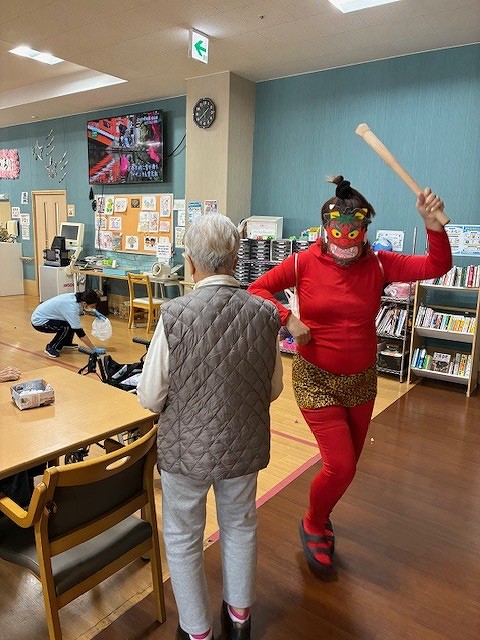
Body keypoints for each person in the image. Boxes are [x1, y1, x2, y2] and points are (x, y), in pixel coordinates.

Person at [248, 176, 452, 577]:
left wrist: (432, 225)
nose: (345, 243)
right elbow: (256, 288)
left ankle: (322, 515)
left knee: (347, 467)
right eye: (337, 233)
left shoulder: (379, 263)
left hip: (362, 381)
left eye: (354, 234)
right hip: (316, 379)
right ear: (326, 230)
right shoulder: (302, 262)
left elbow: (437, 265)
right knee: (340, 466)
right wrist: (288, 318)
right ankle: (313, 522)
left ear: (365, 230)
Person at [137, 214, 283, 640]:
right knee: (240, 525)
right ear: (236, 258)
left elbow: (150, 396)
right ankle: (239, 620)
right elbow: (273, 388)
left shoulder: (174, 315)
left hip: (186, 450)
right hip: (244, 445)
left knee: (183, 535)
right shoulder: (264, 313)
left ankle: (197, 631)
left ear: (189, 262)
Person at [31, 289, 107, 358]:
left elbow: (82, 310)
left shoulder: (78, 298)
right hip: (40, 321)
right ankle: (52, 347)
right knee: (66, 327)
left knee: (70, 324)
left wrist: (94, 312)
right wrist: (93, 348)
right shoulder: (72, 308)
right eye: (93, 306)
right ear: (84, 303)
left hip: (48, 316)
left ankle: (65, 343)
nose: (93, 308)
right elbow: (80, 333)